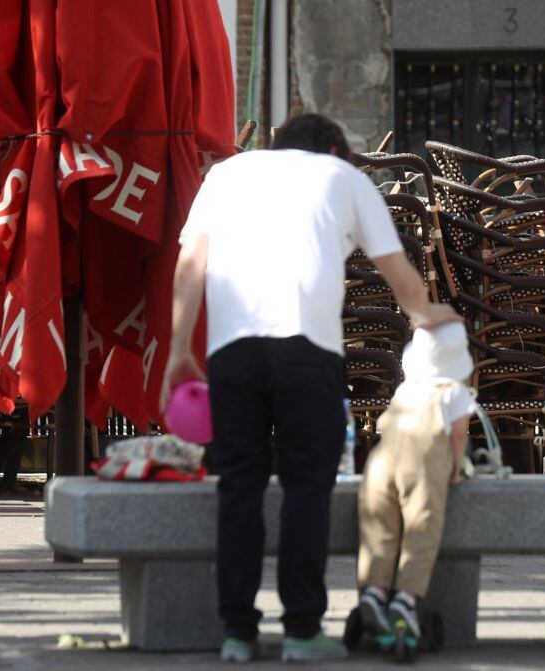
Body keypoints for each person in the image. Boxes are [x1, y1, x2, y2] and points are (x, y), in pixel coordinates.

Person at [161, 113, 460, 664]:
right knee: (306, 487)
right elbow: (399, 275)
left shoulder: (226, 175)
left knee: (238, 488)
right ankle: (301, 630)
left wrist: (180, 351)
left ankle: (237, 634)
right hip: (308, 352)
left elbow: (190, 265)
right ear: (332, 149)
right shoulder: (343, 176)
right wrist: (431, 314)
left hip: (233, 352)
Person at [355, 321, 474, 644]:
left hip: (380, 466)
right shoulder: (455, 391)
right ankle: (405, 600)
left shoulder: (406, 388)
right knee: (422, 531)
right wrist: (455, 469)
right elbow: (459, 434)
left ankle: (376, 592)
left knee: (381, 530)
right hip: (421, 468)